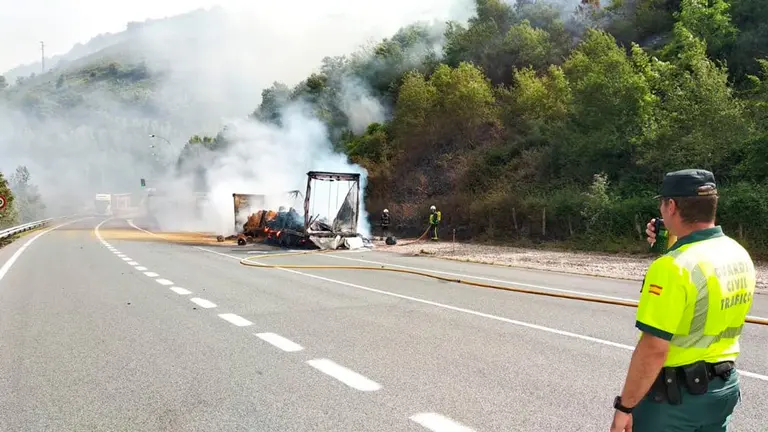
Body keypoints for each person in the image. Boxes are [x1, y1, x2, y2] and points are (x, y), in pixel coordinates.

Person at [610, 169, 755, 432]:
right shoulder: (737, 253)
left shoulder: (672, 267)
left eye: (662, 204)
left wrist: (625, 407)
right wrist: (671, 242)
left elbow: (654, 348)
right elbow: (698, 289)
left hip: (674, 401)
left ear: (672, 206)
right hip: (722, 389)